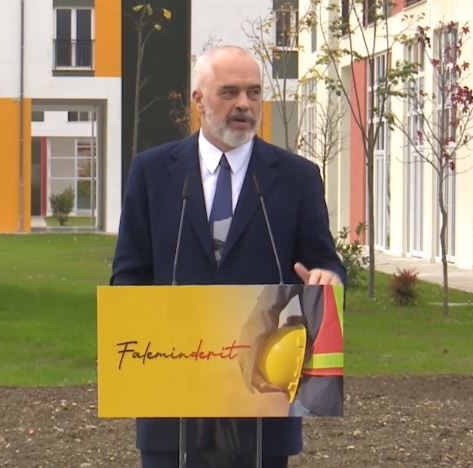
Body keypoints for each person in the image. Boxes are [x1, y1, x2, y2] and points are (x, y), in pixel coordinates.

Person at [111, 45, 346, 468]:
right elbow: (127, 276)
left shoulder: (298, 178)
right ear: (199, 99)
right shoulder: (151, 173)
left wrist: (327, 278)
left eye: (254, 92)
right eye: (230, 92)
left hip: (263, 407)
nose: (244, 104)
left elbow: (324, 262)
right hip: (171, 406)